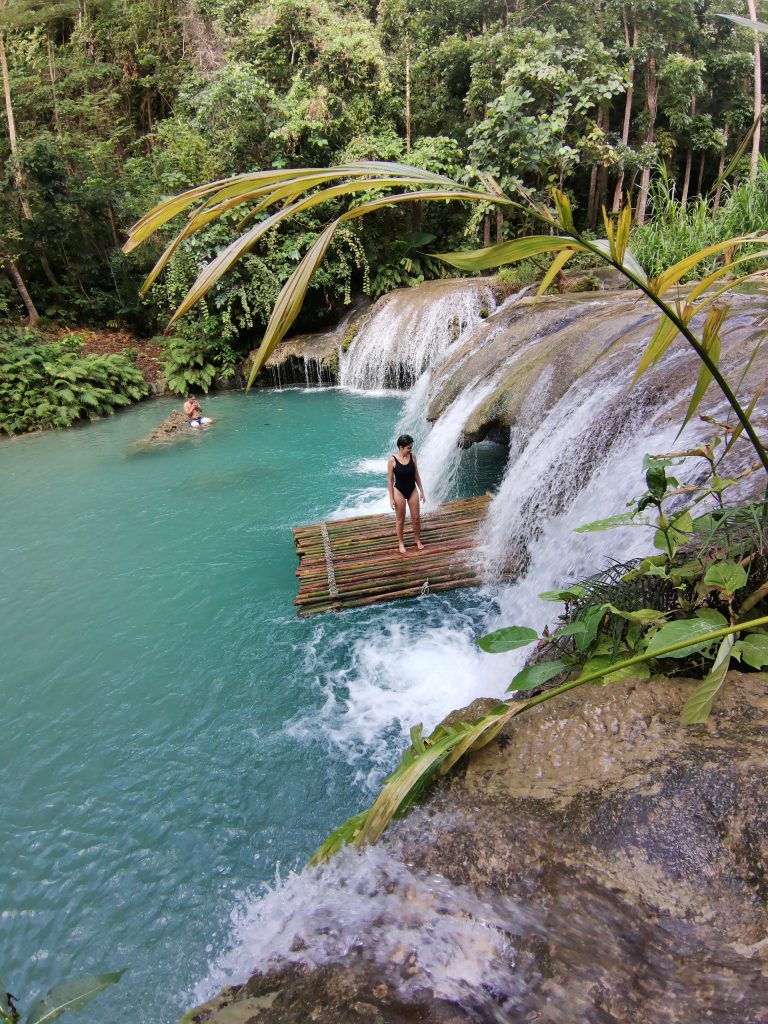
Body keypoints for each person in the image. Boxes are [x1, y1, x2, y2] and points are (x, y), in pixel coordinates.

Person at [387, 434, 426, 555]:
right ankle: (401, 543)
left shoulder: (413, 457)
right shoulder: (392, 460)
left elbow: (416, 475)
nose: (410, 450)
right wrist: (391, 498)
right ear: (401, 447)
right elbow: (390, 480)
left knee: (416, 518)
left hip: (412, 490)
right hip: (399, 491)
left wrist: (422, 491)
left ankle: (417, 540)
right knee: (400, 520)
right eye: (408, 448)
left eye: (411, 447)